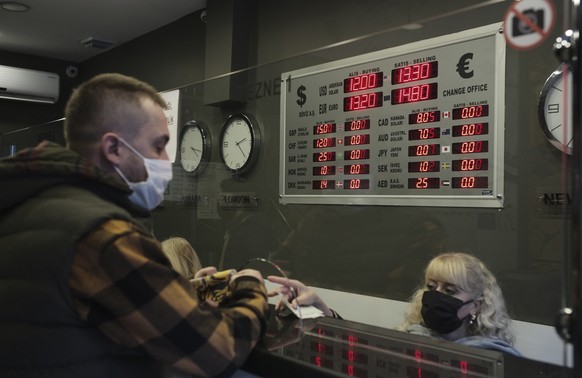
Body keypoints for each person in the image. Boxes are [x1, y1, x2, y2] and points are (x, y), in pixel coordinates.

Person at [0, 73, 269, 378]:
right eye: (158, 146)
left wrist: (186, 293)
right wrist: (250, 288)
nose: (167, 160)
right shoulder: (102, 235)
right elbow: (216, 351)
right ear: (114, 148)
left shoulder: (25, 207)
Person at [268, 252, 521, 356]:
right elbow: (361, 355)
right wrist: (320, 309)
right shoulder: (411, 340)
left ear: (476, 306)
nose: (436, 295)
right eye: (432, 287)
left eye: (450, 290)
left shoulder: (495, 360)